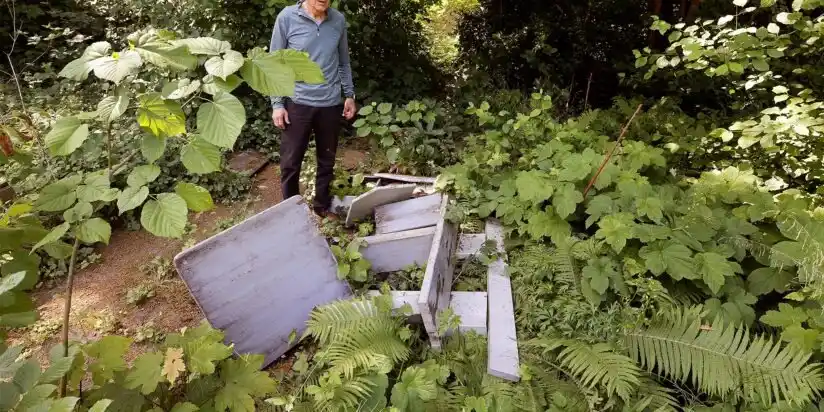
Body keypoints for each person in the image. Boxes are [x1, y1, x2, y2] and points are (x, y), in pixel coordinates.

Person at [269, 0, 356, 217]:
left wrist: (349, 95)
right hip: (298, 102)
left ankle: (321, 206)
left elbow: (343, 62)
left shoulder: (338, 20)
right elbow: (274, 64)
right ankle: (291, 213)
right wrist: (277, 104)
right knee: (290, 163)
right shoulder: (287, 18)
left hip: (330, 102)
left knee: (327, 160)